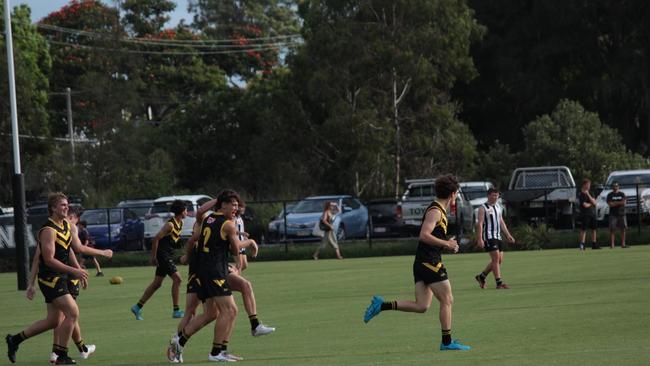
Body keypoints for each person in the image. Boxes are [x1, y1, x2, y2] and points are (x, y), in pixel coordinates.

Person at [363, 175, 471, 351]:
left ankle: (382, 305)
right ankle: (447, 342)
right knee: (447, 299)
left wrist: (446, 242)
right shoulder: (435, 211)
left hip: (422, 262)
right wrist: (446, 244)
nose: (456, 197)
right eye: (456, 193)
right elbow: (424, 235)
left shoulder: (438, 210)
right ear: (452, 194)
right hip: (430, 263)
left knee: (422, 306)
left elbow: (432, 236)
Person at [6, 192, 113, 365]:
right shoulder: (48, 230)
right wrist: (32, 283)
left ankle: (15, 340)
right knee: (73, 312)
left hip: (61, 276)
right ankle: (61, 356)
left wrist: (102, 252)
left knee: (53, 321)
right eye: (62, 205)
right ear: (53, 208)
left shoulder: (69, 226)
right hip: (49, 278)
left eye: (67, 204)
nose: (66, 207)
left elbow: (77, 248)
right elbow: (47, 259)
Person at [168, 189, 259, 363]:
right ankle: (212, 351)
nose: (235, 209)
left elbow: (201, 237)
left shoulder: (210, 220)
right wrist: (248, 242)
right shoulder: (223, 222)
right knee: (225, 310)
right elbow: (232, 249)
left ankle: (183, 343)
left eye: (236, 206)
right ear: (222, 205)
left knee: (211, 313)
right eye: (232, 205)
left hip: (206, 269)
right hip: (212, 270)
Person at [131, 200, 187, 320]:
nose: (187, 212)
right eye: (186, 210)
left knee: (157, 284)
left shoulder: (180, 223)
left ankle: (137, 307)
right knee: (178, 279)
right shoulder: (170, 225)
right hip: (162, 255)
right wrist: (153, 257)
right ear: (182, 211)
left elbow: (173, 241)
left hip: (167, 255)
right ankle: (176, 310)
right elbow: (156, 239)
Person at [474, 188, 516, 289]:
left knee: (498, 260)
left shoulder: (498, 207)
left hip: (498, 236)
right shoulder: (483, 208)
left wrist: (508, 235)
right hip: (488, 236)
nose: (495, 197)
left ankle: (481, 276)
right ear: (488, 195)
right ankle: (499, 283)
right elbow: (479, 224)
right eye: (493, 195)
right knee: (496, 259)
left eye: (497, 195)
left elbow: (501, 222)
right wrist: (480, 239)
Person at [578, 179, 600, 250]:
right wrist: (591, 203)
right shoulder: (581, 194)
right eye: (588, 184)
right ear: (584, 185)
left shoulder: (591, 192)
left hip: (592, 213)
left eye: (589, 184)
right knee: (583, 229)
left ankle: (594, 244)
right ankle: (582, 245)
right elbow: (584, 205)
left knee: (594, 229)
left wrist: (588, 194)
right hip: (585, 214)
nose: (589, 186)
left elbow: (595, 203)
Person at [606, 182, 628, 248]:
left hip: (621, 213)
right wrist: (619, 203)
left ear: (618, 186)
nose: (615, 187)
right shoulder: (610, 195)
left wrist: (615, 202)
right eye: (614, 186)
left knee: (623, 229)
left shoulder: (622, 194)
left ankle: (623, 244)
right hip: (613, 214)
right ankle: (612, 245)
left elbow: (624, 203)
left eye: (616, 186)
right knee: (612, 229)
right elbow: (610, 204)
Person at [235, 203, 249, 271]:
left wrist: (244, 237)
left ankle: (230, 273)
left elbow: (241, 229)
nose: (243, 209)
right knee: (239, 265)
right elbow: (232, 231)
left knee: (245, 265)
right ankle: (235, 280)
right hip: (236, 244)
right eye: (242, 207)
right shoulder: (233, 218)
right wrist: (242, 233)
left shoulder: (240, 218)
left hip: (242, 244)